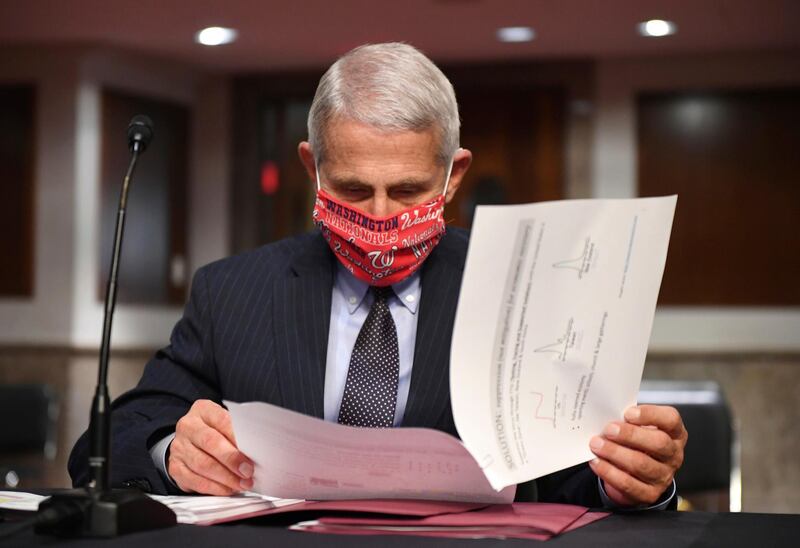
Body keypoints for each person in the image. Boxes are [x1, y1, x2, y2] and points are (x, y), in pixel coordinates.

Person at [69, 42, 686, 509]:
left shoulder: (527, 296)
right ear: (312, 167)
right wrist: (173, 453)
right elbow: (115, 435)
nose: (382, 217)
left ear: (455, 176)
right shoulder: (231, 292)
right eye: (354, 189)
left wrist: (634, 479)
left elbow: (572, 476)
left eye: (410, 190)